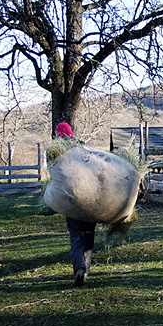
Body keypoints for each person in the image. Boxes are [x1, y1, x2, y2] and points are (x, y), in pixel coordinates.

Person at [55, 122, 96, 286]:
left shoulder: (57, 153)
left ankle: (79, 268)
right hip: (90, 199)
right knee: (89, 235)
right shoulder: (83, 149)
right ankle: (85, 268)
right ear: (71, 133)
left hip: (71, 201)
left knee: (76, 237)